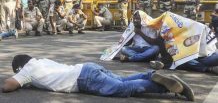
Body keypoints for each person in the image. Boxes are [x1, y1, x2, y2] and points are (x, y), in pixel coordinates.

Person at [2, 54, 195, 101]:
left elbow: (8, 86)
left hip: (82, 79)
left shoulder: (26, 70)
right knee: (121, 80)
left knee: (122, 89)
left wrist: (18, 79)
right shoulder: (40, 60)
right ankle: (152, 75)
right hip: (87, 67)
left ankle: (168, 87)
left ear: (19, 67)